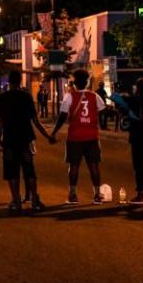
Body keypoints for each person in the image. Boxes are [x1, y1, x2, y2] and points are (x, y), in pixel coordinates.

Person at [0, 70, 55, 212]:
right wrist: (48, 136)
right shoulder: (26, 97)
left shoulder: (2, 98)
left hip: (9, 139)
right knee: (29, 171)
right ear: (20, 81)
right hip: (25, 138)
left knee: (11, 171)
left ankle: (16, 201)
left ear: (9, 81)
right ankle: (35, 200)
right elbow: (36, 121)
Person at [51, 70, 106, 205]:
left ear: (74, 83)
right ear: (87, 82)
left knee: (74, 166)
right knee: (94, 166)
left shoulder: (69, 97)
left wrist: (54, 132)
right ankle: (97, 195)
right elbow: (103, 111)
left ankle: (73, 195)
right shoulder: (94, 96)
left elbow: (62, 116)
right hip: (92, 137)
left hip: (75, 137)